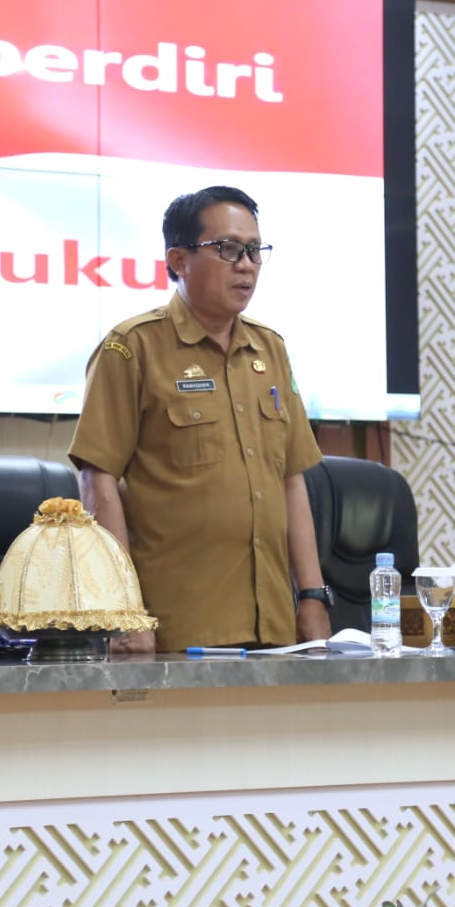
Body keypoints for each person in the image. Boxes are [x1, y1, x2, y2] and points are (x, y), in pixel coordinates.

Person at [69, 185, 333, 653]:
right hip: (177, 626)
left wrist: (312, 596)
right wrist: (125, 612)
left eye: (254, 250)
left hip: (274, 628)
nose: (246, 265)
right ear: (178, 260)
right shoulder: (131, 347)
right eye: (228, 248)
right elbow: (97, 480)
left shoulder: (271, 349)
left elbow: (291, 481)